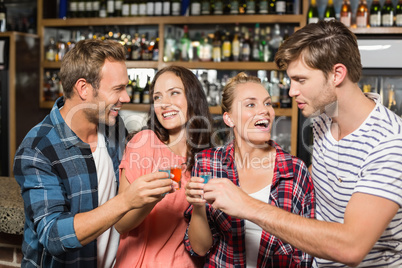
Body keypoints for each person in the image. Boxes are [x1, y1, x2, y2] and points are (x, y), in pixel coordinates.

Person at [192, 20, 402, 267]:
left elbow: (351, 247)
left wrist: (247, 204)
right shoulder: (324, 118)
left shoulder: (390, 142)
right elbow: (332, 179)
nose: (291, 91)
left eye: (300, 80)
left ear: (337, 74)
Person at [13, 39, 175, 268]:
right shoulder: (38, 148)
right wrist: (126, 201)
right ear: (84, 89)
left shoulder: (114, 127)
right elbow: (52, 235)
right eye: (118, 89)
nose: (126, 97)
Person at [184, 72, 315, 267]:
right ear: (229, 119)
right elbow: (200, 248)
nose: (264, 110)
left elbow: (309, 246)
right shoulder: (207, 163)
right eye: (251, 105)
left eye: (268, 103)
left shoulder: (295, 170)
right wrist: (198, 207)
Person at [113, 65, 213, 267]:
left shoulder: (207, 161)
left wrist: (198, 206)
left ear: (193, 98)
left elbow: (202, 248)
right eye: (157, 97)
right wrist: (153, 196)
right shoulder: (144, 143)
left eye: (174, 93)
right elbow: (121, 223)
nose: (164, 104)